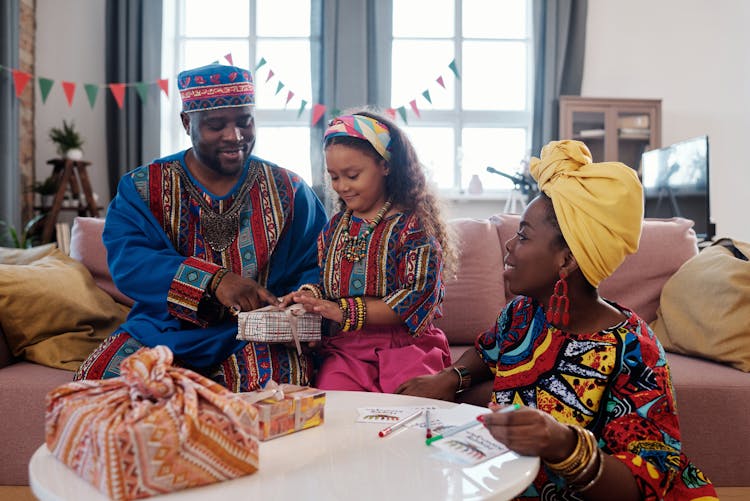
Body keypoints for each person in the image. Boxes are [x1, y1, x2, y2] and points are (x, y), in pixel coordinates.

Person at [396, 140, 717, 500]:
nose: (509, 246)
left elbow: (645, 485)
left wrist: (563, 443)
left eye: (523, 235)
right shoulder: (523, 312)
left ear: (566, 261)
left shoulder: (634, 352)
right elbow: (488, 352)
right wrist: (449, 377)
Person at [74, 63, 328, 392]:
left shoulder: (288, 189)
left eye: (244, 122)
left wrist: (304, 305)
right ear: (186, 122)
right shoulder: (144, 187)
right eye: (215, 125)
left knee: (278, 395)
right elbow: (130, 262)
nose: (234, 136)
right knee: (96, 388)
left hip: (256, 335)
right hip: (162, 328)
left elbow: (320, 260)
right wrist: (213, 281)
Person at [287, 111, 453, 393]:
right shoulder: (335, 227)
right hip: (346, 350)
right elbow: (326, 281)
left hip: (406, 348)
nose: (342, 187)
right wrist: (310, 298)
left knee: (413, 410)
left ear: (385, 166)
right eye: (334, 177)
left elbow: (414, 297)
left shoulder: (414, 229)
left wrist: (341, 310)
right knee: (334, 404)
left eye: (352, 175)